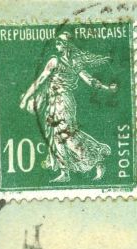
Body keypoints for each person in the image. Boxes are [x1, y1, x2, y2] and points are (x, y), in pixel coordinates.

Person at [19, 32, 118, 183]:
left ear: (67, 46)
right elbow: (90, 80)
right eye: (57, 42)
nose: (57, 45)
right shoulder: (69, 62)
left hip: (63, 101)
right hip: (55, 101)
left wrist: (25, 98)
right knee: (58, 136)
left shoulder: (59, 61)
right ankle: (65, 172)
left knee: (65, 136)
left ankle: (95, 158)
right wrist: (106, 88)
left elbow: (40, 80)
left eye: (60, 43)